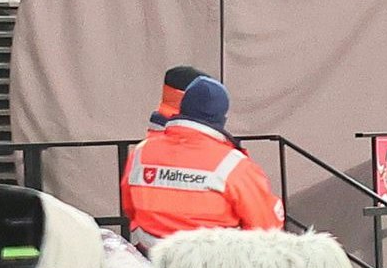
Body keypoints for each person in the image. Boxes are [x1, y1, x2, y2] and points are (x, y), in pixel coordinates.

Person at [116, 73, 280, 243]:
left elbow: (129, 207)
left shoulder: (141, 152)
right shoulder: (235, 165)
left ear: (182, 107)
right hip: (213, 257)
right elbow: (266, 228)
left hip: (151, 254)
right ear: (221, 118)